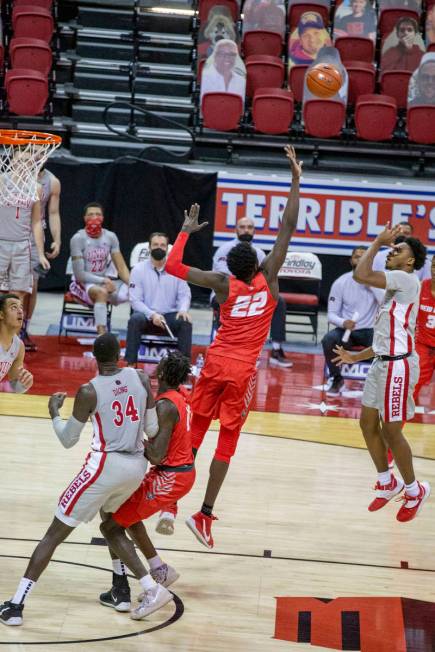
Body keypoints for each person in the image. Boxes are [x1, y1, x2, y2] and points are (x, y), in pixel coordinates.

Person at [164, 145, 302, 548]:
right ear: (258, 263)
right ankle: (204, 514)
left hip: (215, 363)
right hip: (242, 371)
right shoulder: (270, 278)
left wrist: (186, 232)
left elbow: (173, 268)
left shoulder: (223, 285)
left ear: (230, 268)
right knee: (226, 442)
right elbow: (287, 228)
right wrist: (295, 179)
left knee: (195, 432)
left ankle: (170, 504)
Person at [0, 333, 160, 626]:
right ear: (119, 353)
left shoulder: (89, 391)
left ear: (95, 359)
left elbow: (67, 440)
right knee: (110, 521)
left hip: (105, 467)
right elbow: (152, 426)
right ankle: (121, 590)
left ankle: (15, 606)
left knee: (54, 534)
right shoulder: (140, 377)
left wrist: (54, 414)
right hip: (137, 467)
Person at [332, 224, 430, 523]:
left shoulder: (404, 279)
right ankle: (388, 481)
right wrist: (355, 356)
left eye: (398, 250)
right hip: (382, 363)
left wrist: (376, 241)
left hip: (398, 367)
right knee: (366, 424)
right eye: (391, 248)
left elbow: (360, 274)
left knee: (391, 430)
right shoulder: (393, 290)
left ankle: (415, 490)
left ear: (410, 261)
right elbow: (384, 340)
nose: (392, 251)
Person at [98, 351, 195, 616]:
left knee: (110, 527)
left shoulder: (165, 406)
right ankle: (160, 569)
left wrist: (130, 437)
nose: (156, 366)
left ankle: (153, 590)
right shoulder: (178, 397)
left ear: (162, 373)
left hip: (171, 476)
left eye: (160, 365)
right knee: (122, 513)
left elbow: (156, 454)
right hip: (174, 472)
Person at [213, 217, 292, 368]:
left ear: (254, 231)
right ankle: (222, 347)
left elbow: (266, 277)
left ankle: (276, 349)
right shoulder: (224, 249)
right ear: (236, 229)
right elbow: (223, 277)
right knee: (219, 300)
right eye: (242, 227)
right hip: (227, 292)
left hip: (253, 294)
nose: (246, 230)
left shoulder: (259, 253)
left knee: (279, 301)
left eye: (249, 227)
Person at [125, 232, 193, 364]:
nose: (159, 248)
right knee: (135, 319)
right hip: (147, 316)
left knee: (185, 321)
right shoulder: (138, 270)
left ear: (167, 248)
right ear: (149, 248)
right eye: (155, 245)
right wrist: (152, 315)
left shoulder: (177, 269)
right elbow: (135, 301)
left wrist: (183, 309)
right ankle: (130, 364)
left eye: (163, 245)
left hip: (168, 317)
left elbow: (184, 294)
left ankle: (183, 367)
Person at [322, 246, 379, 396]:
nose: (359, 259)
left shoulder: (377, 281)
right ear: (350, 260)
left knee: (386, 344)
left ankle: (377, 382)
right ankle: (337, 378)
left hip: (371, 330)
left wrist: (372, 286)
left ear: (369, 260)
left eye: (363, 256)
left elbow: (387, 302)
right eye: (356, 256)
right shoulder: (340, 283)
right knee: (328, 340)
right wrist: (343, 322)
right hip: (347, 331)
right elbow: (331, 314)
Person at [69, 202, 130, 335]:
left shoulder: (110, 237)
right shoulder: (78, 238)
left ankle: (141, 329)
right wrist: (104, 281)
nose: (94, 217)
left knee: (136, 291)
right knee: (102, 292)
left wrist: (133, 284)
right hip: (82, 283)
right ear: (85, 218)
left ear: (103, 218)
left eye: (98, 214)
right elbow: (80, 275)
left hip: (103, 281)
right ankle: (102, 336)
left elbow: (121, 267)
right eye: (91, 214)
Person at [22, 168, 61, 351]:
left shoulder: (52, 182)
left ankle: (23, 328)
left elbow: (53, 213)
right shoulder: (9, 175)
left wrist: (57, 239)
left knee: (31, 285)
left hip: (33, 234)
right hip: (8, 231)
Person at [0, 190, 50, 308]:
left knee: (18, 294)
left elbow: (37, 222)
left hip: (22, 245)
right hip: (2, 242)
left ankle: (15, 325)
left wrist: (41, 254)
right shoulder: (2, 181)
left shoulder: (35, 187)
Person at [0, 294, 33, 392]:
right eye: (14, 307)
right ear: (1, 315)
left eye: (21, 308)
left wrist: (24, 384)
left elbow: (14, 386)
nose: (20, 311)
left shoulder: (19, 346)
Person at [414, 256, 435, 401]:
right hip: (423, 346)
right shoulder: (420, 287)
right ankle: (398, 421)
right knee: (412, 385)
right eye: (434, 265)